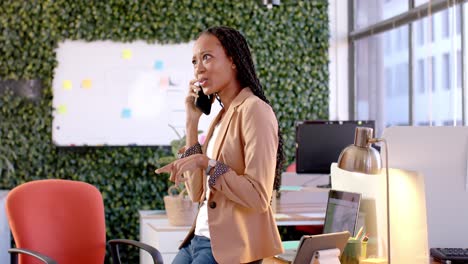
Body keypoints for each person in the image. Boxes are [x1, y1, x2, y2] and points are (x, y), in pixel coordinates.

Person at [155, 26, 285, 264]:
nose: (199, 68)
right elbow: (196, 193)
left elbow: (258, 196)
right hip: (198, 241)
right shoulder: (221, 117)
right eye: (195, 61)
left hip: (227, 248)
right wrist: (191, 123)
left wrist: (207, 163)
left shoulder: (254, 110)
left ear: (233, 60)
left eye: (207, 57)